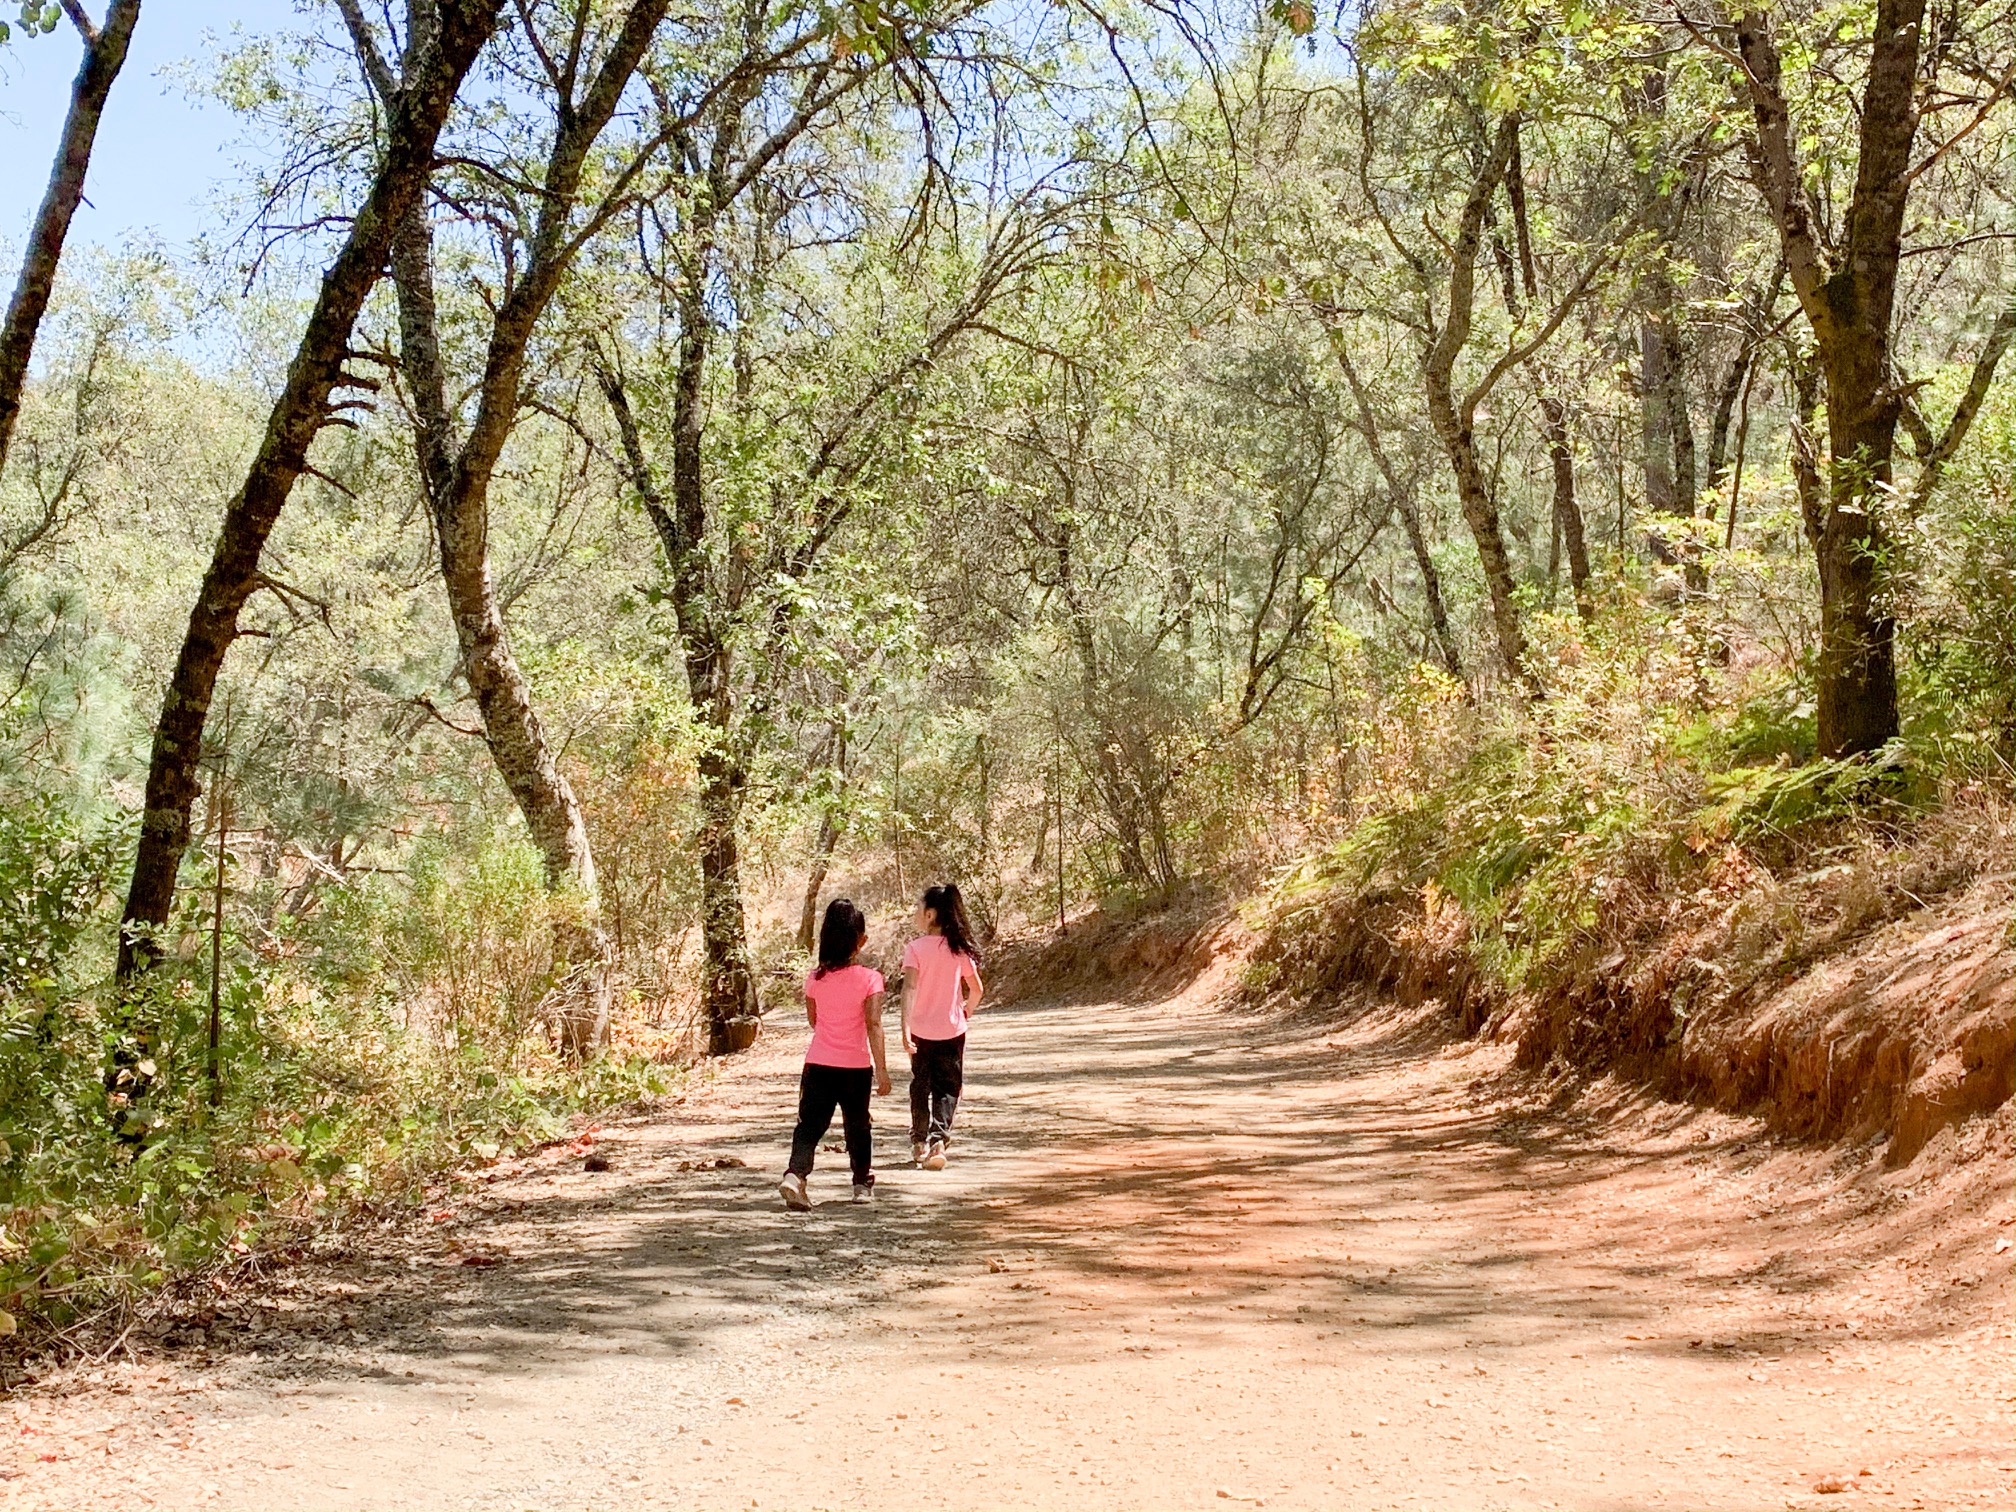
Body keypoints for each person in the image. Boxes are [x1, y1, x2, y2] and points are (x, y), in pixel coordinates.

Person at [779, 898, 891, 1210]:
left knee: (809, 1125)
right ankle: (860, 1183)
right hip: (855, 1067)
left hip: (818, 1064)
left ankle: (795, 1175)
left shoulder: (814, 978)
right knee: (858, 1125)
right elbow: (874, 1024)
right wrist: (882, 1070)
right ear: (861, 940)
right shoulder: (871, 979)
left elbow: (814, 1020)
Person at [900, 883, 984, 1171]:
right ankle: (939, 1141)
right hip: (952, 1030)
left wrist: (904, 1027)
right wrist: (966, 1012)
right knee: (948, 1088)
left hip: (920, 1031)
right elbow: (977, 990)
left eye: (919, 909)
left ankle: (918, 1141)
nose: (916, 914)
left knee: (920, 1085)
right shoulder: (958, 948)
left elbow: (909, 989)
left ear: (931, 914)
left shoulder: (915, 949)